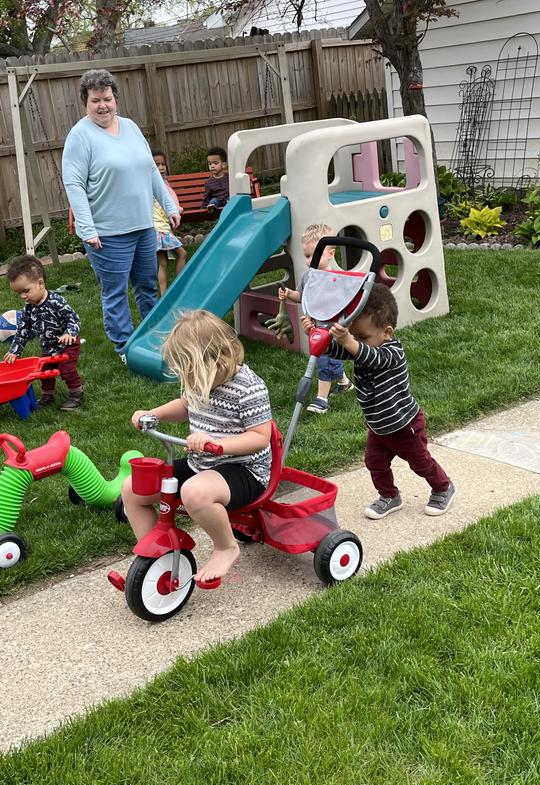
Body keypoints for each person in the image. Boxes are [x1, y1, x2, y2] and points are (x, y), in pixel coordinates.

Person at [122, 310, 272, 582]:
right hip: (201, 464)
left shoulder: (250, 387)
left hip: (245, 470)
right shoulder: (201, 378)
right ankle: (156, 557)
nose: (188, 379)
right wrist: (153, 413)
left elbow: (260, 437)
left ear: (217, 358)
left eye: (191, 371)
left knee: (194, 493)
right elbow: (187, 405)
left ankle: (226, 547)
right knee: (133, 489)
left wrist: (217, 443)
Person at [302, 282, 456, 519]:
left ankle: (443, 487)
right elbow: (337, 350)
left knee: (420, 463)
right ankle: (389, 495)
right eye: (354, 335)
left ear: (387, 332)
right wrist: (315, 332)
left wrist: (349, 341)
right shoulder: (360, 345)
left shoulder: (392, 352)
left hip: (405, 425)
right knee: (374, 462)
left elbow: (372, 357)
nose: (356, 341)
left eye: (362, 336)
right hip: (378, 427)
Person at [61, 69, 181, 364]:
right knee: (115, 292)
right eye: (95, 100)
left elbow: (151, 171)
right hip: (107, 232)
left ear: (115, 98)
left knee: (147, 286)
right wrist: (87, 229)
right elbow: (74, 183)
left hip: (142, 226)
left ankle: (152, 337)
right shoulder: (80, 136)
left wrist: (169, 206)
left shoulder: (130, 127)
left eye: (107, 98)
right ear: (85, 103)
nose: (102, 105)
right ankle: (125, 348)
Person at [279, 224, 353, 413]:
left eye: (315, 255)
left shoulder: (337, 278)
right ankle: (344, 383)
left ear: (331, 254)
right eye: (306, 255)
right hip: (315, 327)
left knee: (325, 360)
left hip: (333, 327)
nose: (309, 260)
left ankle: (321, 399)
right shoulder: (308, 277)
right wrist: (289, 294)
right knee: (326, 358)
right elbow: (302, 295)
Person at [3, 256, 83, 411]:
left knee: (67, 370)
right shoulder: (29, 307)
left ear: (40, 283)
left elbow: (74, 318)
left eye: (26, 291)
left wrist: (69, 333)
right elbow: (23, 330)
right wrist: (14, 351)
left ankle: (76, 394)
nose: (23, 296)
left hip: (67, 344)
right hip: (48, 346)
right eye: (19, 293)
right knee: (44, 371)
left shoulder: (56, 302)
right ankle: (48, 395)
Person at [151, 150, 187, 295]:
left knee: (163, 263)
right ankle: (179, 287)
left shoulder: (162, 183)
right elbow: (167, 202)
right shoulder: (157, 185)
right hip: (160, 229)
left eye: (163, 164)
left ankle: (164, 293)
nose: (161, 168)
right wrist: (175, 209)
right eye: (157, 165)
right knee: (182, 254)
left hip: (159, 228)